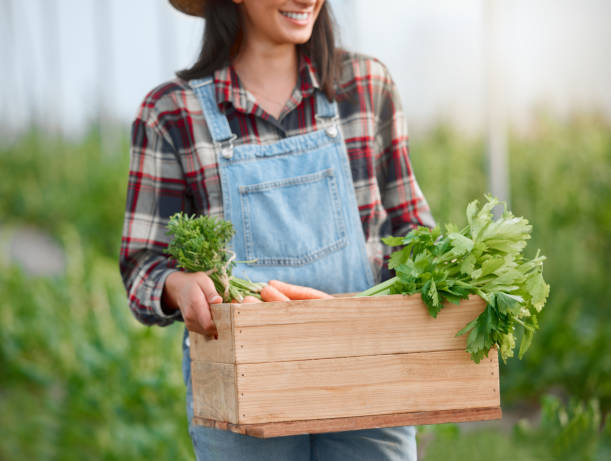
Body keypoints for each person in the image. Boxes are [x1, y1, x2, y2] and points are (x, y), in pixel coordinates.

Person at [119, 0, 435, 459]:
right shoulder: (172, 113)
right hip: (243, 380)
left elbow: (411, 229)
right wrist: (178, 285)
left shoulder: (366, 87)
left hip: (366, 369)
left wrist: (433, 277)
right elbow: (143, 263)